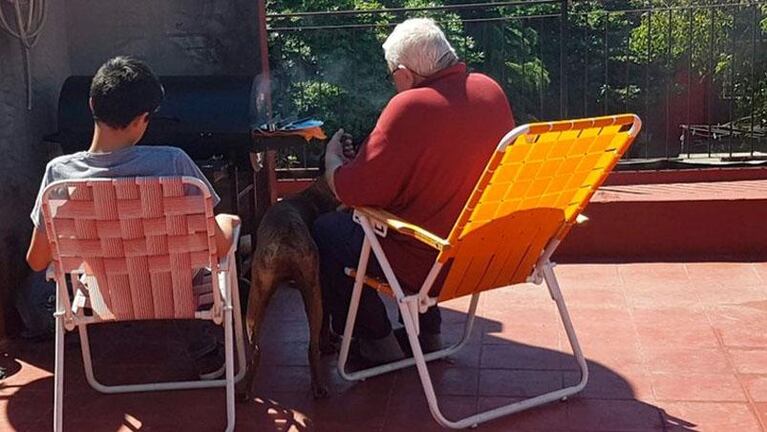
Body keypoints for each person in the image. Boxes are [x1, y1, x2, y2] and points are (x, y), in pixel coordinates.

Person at [314, 18, 515, 363]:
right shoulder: (489, 91)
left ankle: (377, 343)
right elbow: (432, 172)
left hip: (427, 262)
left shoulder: (409, 106)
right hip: (484, 255)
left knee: (327, 230)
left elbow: (351, 191)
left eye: (393, 75)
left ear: (405, 73)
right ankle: (426, 335)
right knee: (428, 212)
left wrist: (332, 160)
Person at [26, 56, 238, 379]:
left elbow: (37, 261)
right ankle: (206, 353)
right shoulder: (174, 164)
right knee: (200, 249)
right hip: (175, 290)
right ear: (143, 119)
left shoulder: (59, 176)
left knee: (144, 260)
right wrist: (230, 224)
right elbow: (219, 247)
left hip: (103, 292)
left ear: (91, 104)